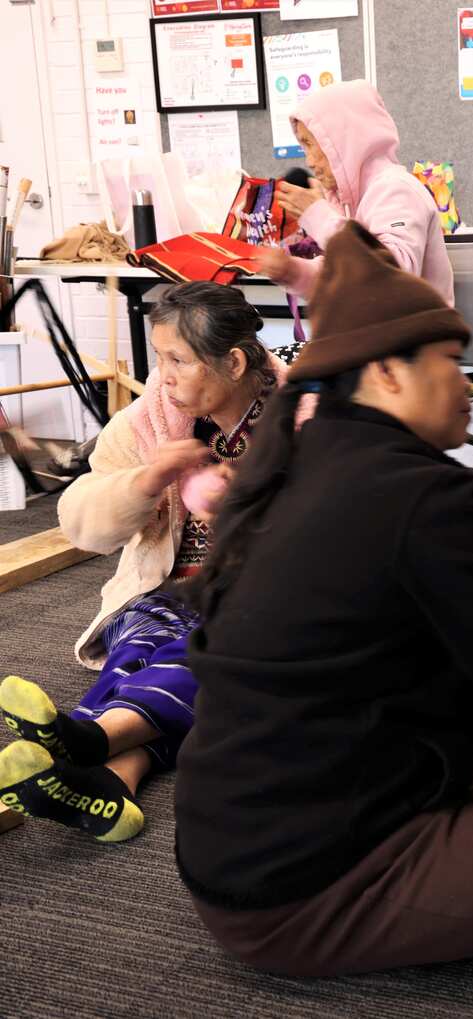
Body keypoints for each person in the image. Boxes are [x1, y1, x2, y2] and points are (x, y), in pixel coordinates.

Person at [175, 223, 473, 975]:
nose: (463, 384)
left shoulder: (305, 463)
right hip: (297, 891)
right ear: (388, 375)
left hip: (236, 843)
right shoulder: (420, 491)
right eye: (446, 365)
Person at [0, 282, 284, 842]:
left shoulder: (304, 421)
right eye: (160, 359)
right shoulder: (150, 421)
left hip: (267, 602)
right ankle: (114, 780)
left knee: (208, 650)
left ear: (232, 361)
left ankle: (84, 738)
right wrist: (148, 479)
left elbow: (348, 532)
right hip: (165, 593)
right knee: (145, 642)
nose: (164, 375)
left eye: (178, 359)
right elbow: (80, 523)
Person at [253, 79, 454, 306]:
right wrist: (293, 272)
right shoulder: (349, 201)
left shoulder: (395, 190)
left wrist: (318, 216)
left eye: (310, 144)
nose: (308, 161)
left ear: (341, 141)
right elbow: (346, 275)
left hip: (413, 340)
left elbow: (391, 278)